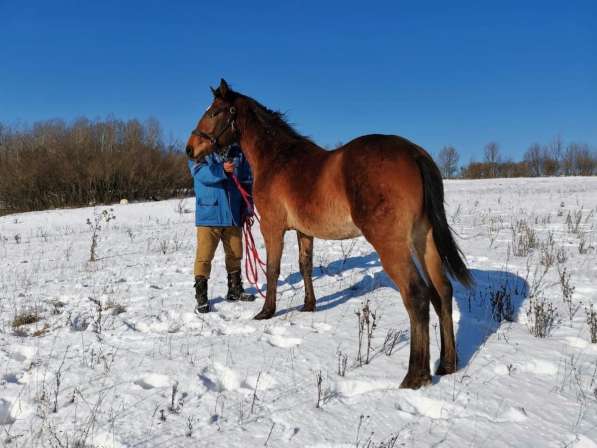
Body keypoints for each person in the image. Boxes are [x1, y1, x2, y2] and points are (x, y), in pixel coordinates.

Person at [188, 143, 255, 313]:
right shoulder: (200, 151)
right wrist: (222, 170)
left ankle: (235, 289)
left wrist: (248, 205)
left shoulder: (238, 152)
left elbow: (246, 180)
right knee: (204, 257)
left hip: (233, 213)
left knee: (235, 254)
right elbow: (200, 173)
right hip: (209, 213)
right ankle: (201, 296)